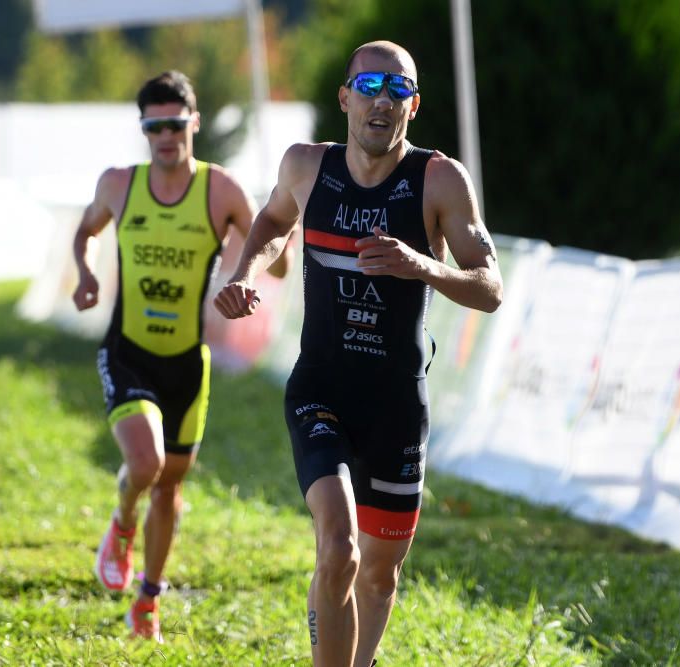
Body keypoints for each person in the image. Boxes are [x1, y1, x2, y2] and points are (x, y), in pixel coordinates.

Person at [214, 41, 503, 666]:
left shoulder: (440, 180)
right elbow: (270, 224)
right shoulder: (305, 166)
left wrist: (419, 265)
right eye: (370, 85)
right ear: (345, 98)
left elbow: (490, 288)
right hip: (321, 388)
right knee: (338, 547)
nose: (383, 99)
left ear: (414, 106)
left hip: (397, 403)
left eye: (398, 89)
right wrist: (245, 275)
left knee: (377, 574)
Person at [72, 70, 290, 642]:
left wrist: (272, 242)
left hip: (189, 362)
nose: (165, 136)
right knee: (143, 466)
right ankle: (121, 525)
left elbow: (277, 256)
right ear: (144, 129)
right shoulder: (120, 184)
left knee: (170, 487)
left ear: (193, 123)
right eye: (154, 126)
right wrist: (87, 272)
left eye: (175, 124)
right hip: (129, 350)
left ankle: (147, 601)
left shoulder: (221, 191)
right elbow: (86, 230)